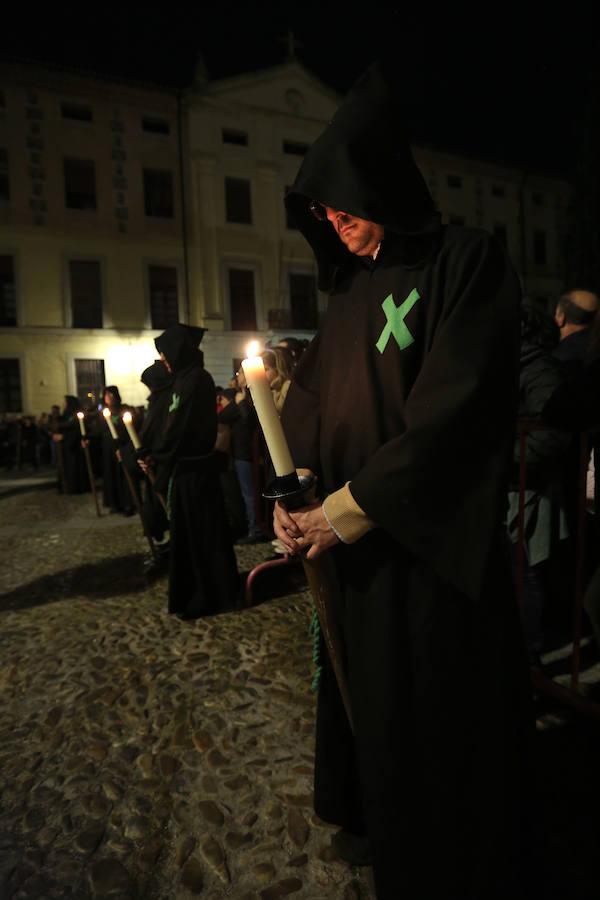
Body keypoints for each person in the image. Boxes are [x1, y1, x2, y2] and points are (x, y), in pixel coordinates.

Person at [273, 63, 530, 899]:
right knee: (371, 706)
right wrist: (295, 498)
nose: (335, 222)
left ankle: (441, 854)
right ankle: (376, 814)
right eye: (324, 213)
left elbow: (455, 418)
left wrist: (345, 511)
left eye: (345, 205)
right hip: (355, 551)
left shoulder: (467, 263)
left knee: (430, 716)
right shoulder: (348, 292)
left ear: (382, 182)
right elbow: (308, 409)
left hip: (423, 548)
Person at [139, 323, 239, 618]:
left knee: (203, 535)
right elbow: (170, 424)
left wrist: (157, 455)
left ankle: (212, 593)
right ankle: (195, 590)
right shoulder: (182, 380)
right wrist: (153, 452)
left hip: (197, 473)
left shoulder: (197, 380)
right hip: (184, 472)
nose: (164, 361)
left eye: (166, 354)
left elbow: (180, 428)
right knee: (188, 536)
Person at [53, 396, 89, 494]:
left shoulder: (75, 415)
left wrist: (63, 436)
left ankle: (74, 487)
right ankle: (66, 487)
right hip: (65, 447)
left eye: (64, 402)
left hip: (73, 448)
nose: (63, 404)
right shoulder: (65, 415)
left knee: (73, 468)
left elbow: (77, 431)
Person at [260, 347, 293, 413]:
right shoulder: (273, 389)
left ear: (277, 368)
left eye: (266, 369)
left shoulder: (287, 386)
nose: (261, 374)